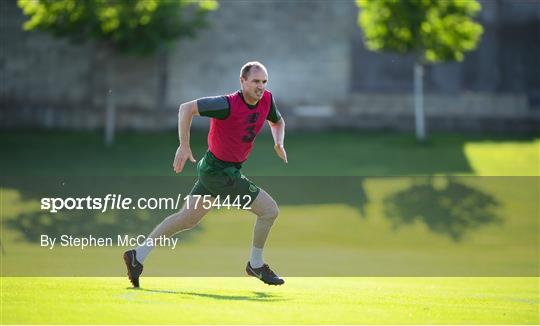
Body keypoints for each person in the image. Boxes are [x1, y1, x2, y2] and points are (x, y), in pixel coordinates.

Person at [123, 61, 287, 287]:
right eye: (256, 81)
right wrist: (184, 145)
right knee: (269, 211)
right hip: (220, 171)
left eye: (264, 82)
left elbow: (277, 121)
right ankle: (256, 265)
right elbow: (185, 108)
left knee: (187, 219)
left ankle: (137, 256)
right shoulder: (226, 104)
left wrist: (279, 142)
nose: (261, 86)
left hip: (217, 169)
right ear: (242, 81)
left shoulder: (266, 99)